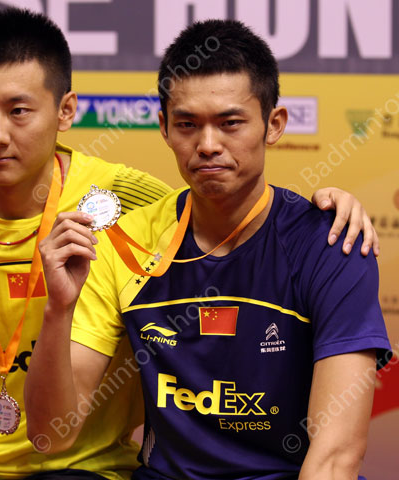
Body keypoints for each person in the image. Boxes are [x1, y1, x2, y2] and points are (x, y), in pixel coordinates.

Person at [0, 9, 378, 480]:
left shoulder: (126, 206)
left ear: (65, 111)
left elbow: (220, 202)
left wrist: (323, 206)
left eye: (19, 110)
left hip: (83, 468)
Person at [25, 19, 391, 480]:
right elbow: (49, 436)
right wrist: (58, 309)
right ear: (164, 128)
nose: (208, 145)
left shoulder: (332, 243)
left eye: (230, 123)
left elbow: (335, 457)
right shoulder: (123, 243)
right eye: (188, 125)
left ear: (274, 124)